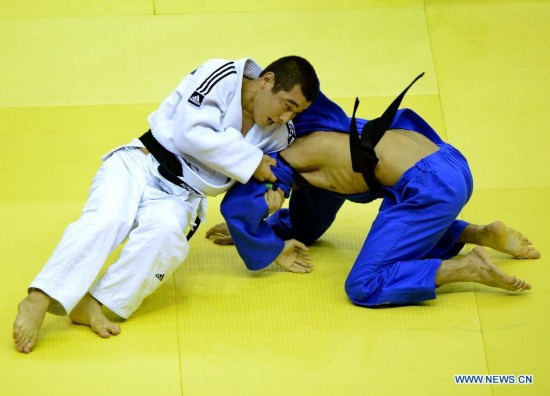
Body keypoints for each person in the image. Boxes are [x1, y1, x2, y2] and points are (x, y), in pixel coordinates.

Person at [13, 56, 320, 354]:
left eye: (295, 113)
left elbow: (271, 175)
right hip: (140, 164)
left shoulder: (279, 134)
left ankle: (96, 303)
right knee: (107, 220)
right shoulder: (223, 75)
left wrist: (273, 195)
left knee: (166, 238)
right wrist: (252, 161)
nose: (285, 118)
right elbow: (190, 134)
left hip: (182, 195)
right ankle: (40, 297)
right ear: (267, 80)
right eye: (287, 106)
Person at [208, 73, 540, 307]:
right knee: (393, 215)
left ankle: (467, 268)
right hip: (448, 162)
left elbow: (237, 207)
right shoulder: (308, 123)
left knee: (364, 286)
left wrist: (253, 234)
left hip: (430, 188)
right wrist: (267, 228)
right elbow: (309, 222)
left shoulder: (278, 161)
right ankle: (480, 233)